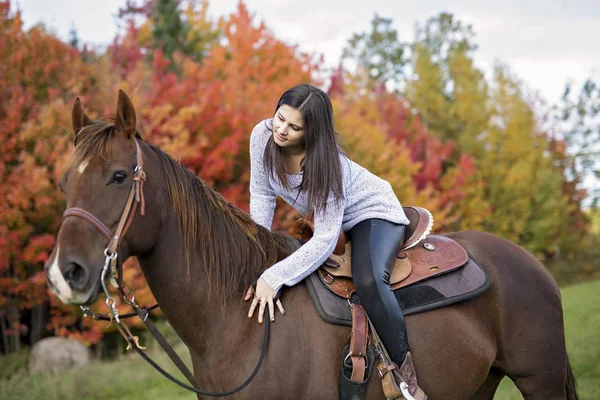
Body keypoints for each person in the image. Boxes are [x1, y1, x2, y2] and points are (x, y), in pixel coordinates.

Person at [245, 83, 426, 398]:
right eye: (280, 118)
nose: (282, 130)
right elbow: (262, 194)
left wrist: (274, 277)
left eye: (295, 127)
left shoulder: (327, 165)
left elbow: (326, 238)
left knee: (369, 281)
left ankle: (405, 378)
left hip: (373, 213)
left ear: (311, 133)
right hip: (335, 222)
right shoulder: (262, 136)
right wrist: (257, 254)